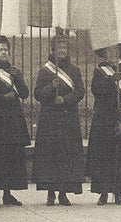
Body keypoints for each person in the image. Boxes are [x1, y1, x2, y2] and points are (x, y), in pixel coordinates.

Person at [32, 29, 85, 206]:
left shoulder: (75, 70)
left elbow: (80, 91)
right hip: (50, 120)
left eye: (65, 48)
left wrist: (66, 99)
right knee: (50, 156)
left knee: (66, 156)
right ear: (53, 50)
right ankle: (50, 193)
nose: (62, 51)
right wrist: (50, 88)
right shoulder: (45, 71)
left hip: (68, 118)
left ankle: (63, 192)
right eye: (59, 48)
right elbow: (37, 94)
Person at [86, 42, 121, 205]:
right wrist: (110, 80)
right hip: (104, 119)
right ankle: (103, 192)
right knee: (103, 157)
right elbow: (96, 90)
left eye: (115, 51)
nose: (112, 54)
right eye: (108, 51)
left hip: (120, 118)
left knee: (120, 157)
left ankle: (118, 192)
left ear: (120, 52)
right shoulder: (100, 71)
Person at [0, 35, 29, 206]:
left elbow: (24, 94)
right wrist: (4, 97)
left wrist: (18, 77)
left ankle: (8, 193)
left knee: (12, 157)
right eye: (0, 50)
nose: (3, 52)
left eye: (5, 49)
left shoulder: (13, 72)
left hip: (13, 122)